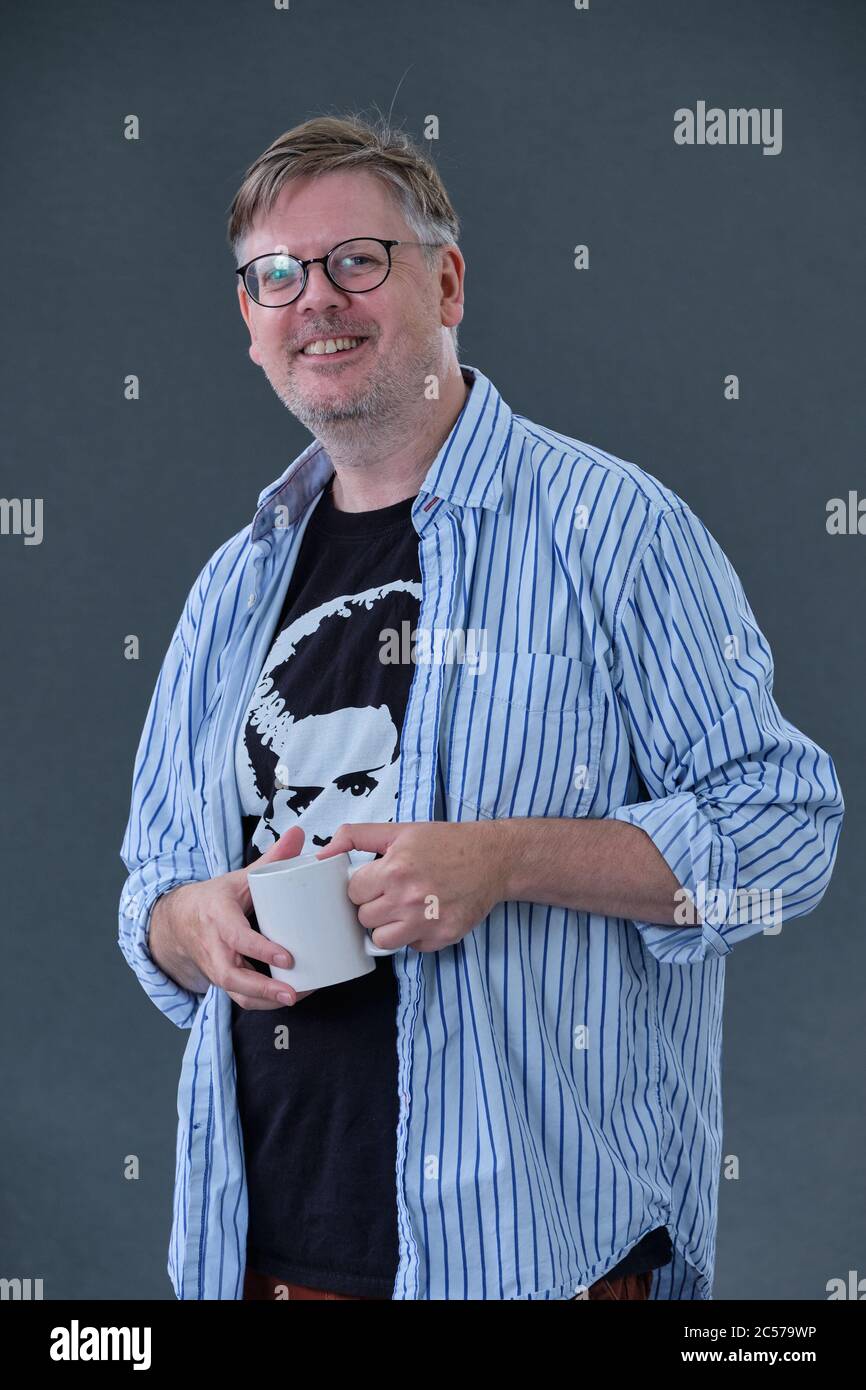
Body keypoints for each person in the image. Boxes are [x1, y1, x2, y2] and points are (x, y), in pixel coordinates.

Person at [118, 114, 844, 1302]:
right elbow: (149, 889)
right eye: (277, 277)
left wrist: (503, 860)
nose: (317, 301)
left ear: (445, 281)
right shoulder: (232, 584)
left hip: (538, 1262)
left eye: (358, 259)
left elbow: (785, 832)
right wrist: (191, 920)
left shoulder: (614, 531)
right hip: (262, 1255)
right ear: (249, 321)